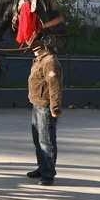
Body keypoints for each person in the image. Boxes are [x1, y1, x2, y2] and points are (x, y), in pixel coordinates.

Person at [26, 44, 62, 186]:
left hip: (45, 106)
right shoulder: (40, 59)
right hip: (37, 103)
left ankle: (48, 173)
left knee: (46, 141)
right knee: (38, 140)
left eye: (34, 45)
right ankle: (42, 168)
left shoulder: (49, 61)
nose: (31, 48)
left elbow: (54, 86)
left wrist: (55, 108)